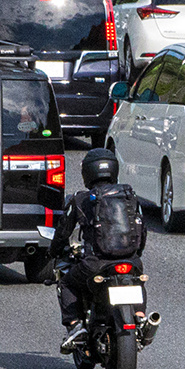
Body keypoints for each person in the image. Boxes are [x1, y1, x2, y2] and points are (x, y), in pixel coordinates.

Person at [50, 147, 146, 353]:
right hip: (131, 260)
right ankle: (140, 316)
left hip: (96, 264)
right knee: (136, 278)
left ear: (88, 172)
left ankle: (75, 325)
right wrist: (135, 255)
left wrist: (53, 252)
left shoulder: (80, 199)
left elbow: (63, 231)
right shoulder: (129, 194)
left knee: (67, 282)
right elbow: (141, 229)